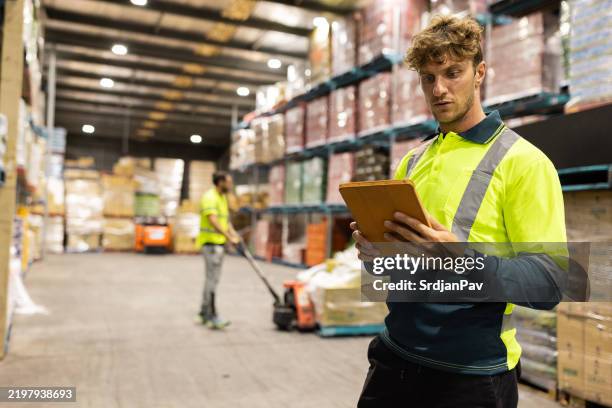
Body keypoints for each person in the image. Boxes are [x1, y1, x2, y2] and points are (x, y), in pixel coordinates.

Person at [352, 15, 567, 407]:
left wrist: (460, 260)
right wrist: (375, 254)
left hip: (472, 375)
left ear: (479, 72)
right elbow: (394, 272)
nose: (440, 89)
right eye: (428, 78)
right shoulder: (412, 162)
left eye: (453, 73)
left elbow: (551, 282)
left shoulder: (523, 162)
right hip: (394, 359)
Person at [196, 171, 240, 329]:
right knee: (212, 280)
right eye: (228, 182)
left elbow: (224, 220)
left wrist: (234, 234)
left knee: (212, 279)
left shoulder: (222, 198)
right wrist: (228, 236)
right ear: (220, 182)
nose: (230, 185)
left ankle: (203, 312)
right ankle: (211, 315)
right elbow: (213, 220)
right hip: (211, 244)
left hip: (219, 244)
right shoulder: (210, 197)